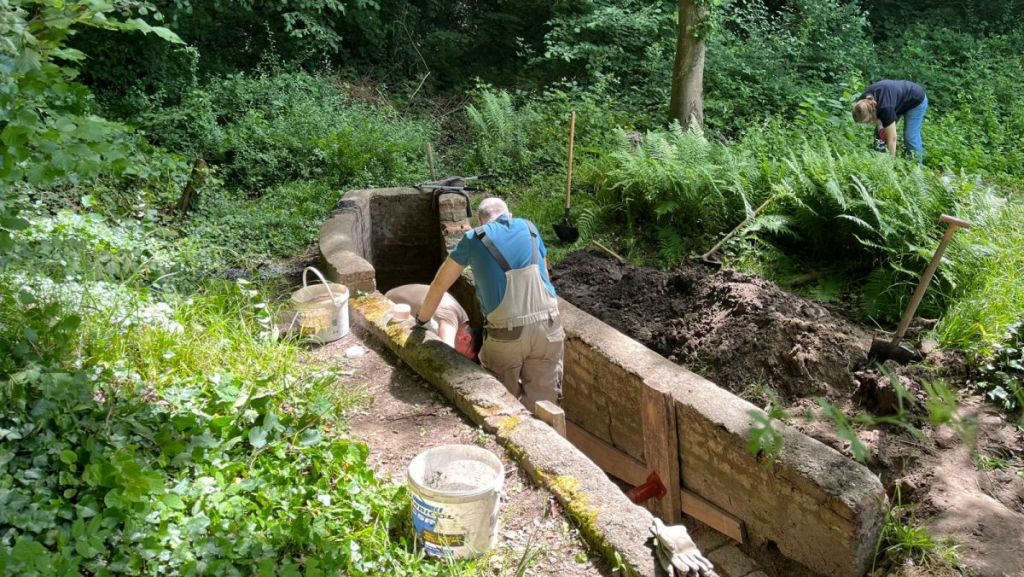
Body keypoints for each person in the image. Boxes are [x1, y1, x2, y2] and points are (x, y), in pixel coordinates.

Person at [414, 198, 563, 413]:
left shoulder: (473, 238)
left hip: (506, 336)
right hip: (549, 328)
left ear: (479, 221)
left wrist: (422, 319)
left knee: (502, 406)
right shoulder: (530, 228)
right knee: (546, 406)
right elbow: (545, 276)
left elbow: (440, 284)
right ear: (508, 214)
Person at [385, 284, 479, 361]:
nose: (463, 360)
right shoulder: (449, 317)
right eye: (465, 356)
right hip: (388, 304)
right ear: (466, 339)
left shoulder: (463, 320)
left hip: (398, 294)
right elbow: (446, 352)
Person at [852, 80, 928, 162]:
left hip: (916, 99)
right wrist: (881, 129)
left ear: (871, 113)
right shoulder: (861, 104)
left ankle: (916, 167)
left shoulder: (885, 109)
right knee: (880, 134)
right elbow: (878, 121)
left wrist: (890, 164)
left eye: (867, 121)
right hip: (897, 100)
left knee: (910, 136)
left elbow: (892, 138)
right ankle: (879, 161)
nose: (868, 123)